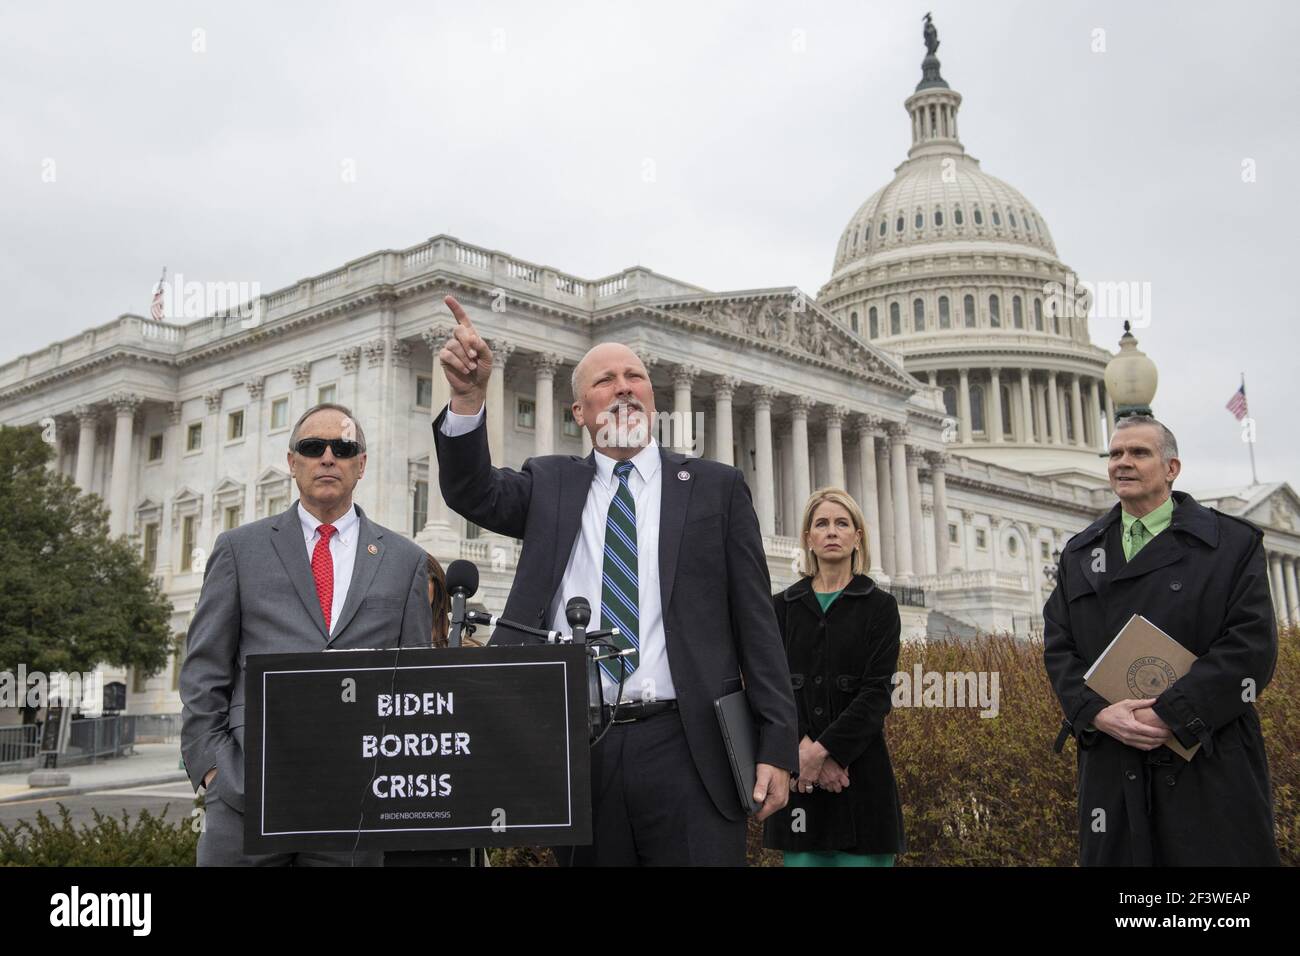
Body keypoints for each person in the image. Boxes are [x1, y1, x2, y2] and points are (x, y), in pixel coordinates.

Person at [433, 294, 797, 866]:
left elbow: (757, 622)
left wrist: (777, 743)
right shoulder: (550, 484)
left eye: (636, 376)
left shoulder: (714, 487)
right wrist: (467, 398)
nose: (625, 387)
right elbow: (471, 491)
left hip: (689, 746)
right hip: (582, 745)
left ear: (652, 397)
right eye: (606, 380)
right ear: (580, 410)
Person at [181, 403, 433, 866]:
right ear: (293, 462)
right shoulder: (239, 550)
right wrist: (214, 769)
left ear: (362, 464)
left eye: (344, 447)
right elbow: (203, 669)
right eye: (314, 447)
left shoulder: (406, 561)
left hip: (357, 801)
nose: (328, 457)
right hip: (246, 791)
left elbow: (412, 684)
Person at [1043, 414, 1279, 866]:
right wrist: (1096, 713)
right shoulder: (1079, 552)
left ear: (1172, 468)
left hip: (1207, 755)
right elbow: (1059, 648)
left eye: (1138, 453)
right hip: (1113, 757)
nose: (1122, 463)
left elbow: (1250, 648)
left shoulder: (1231, 543)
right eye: (1115, 454)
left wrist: (1171, 713)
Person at [762, 488, 906, 866]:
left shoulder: (881, 607)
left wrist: (823, 753)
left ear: (858, 536)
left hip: (861, 779)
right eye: (821, 523)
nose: (831, 531)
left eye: (842, 523)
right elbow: (771, 690)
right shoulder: (781, 608)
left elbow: (876, 694)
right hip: (799, 784)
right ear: (808, 538)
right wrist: (803, 751)